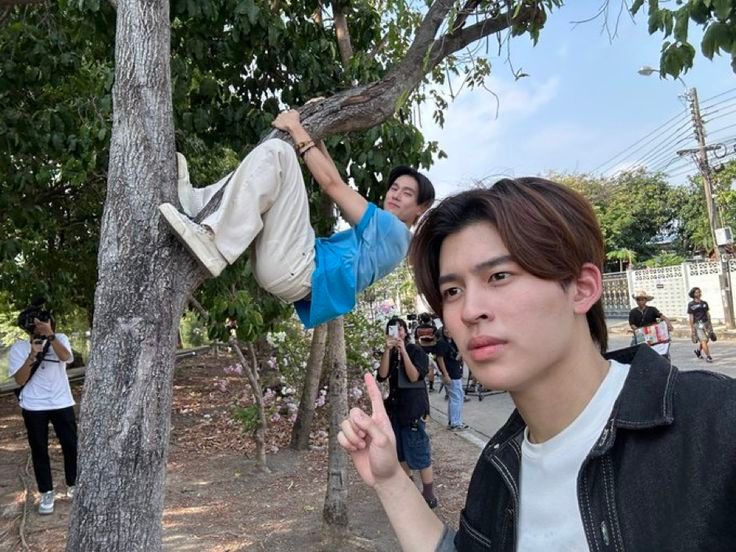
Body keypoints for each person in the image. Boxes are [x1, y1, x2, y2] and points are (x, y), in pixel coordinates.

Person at [338, 178, 736, 551]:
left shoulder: (714, 425)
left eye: (499, 276)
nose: (470, 310)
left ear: (582, 289)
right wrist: (390, 480)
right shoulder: (498, 471)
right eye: (453, 291)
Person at [158, 110, 434, 328]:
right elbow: (336, 180)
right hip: (289, 274)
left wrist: (295, 127)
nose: (396, 195)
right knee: (262, 174)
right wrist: (317, 136)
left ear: (421, 208)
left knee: (279, 153)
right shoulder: (388, 239)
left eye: (407, 193)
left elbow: (332, 186)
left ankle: (213, 239)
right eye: (394, 188)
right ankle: (200, 205)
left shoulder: (392, 229)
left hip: (299, 268)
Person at [8, 300, 77, 515]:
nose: (42, 325)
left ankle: (73, 484)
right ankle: (46, 491)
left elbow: (67, 358)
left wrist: (51, 337)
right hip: (34, 405)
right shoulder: (19, 348)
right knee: (39, 449)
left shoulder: (60, 339)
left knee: (70, 445)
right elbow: (20, 380)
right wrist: (32, 355)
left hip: (62, 401)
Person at [378, 316, 438, 509]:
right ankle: (410, 490)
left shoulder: (415, 351)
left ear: (405, 331)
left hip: (414, 409)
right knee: (401, 452)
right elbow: (382, 375)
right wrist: (387, 351)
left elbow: (414, 377)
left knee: (419, 451)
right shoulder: (389, 353)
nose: (397, 333)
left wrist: (403, 351)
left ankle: (428, 494)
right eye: (392, 330)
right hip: (396, 409)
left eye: (400, 329)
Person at [435, 326, 467, 430]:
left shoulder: (453, 342)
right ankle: (455, 422)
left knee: (456, 397)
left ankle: (453, 420)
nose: (447, 331)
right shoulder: (442, 343)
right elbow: (440, 359)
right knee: (456, 397)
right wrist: (445, 374)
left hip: (455, 371)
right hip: (450, 373)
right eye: (445, 329)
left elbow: (456, 358)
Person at [687, 286, 714, 362]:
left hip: (706, 323)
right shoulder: (691, 304)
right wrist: (692, 329)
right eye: (696, 292)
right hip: (698, 324)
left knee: (706, 340)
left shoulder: (704, 303)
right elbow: (691, 317)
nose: (699, 293)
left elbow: (707, 314)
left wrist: (710, 324)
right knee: (704, 340)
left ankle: (698, 351)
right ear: (693, 294)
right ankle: (708, 356)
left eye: (699, 292)